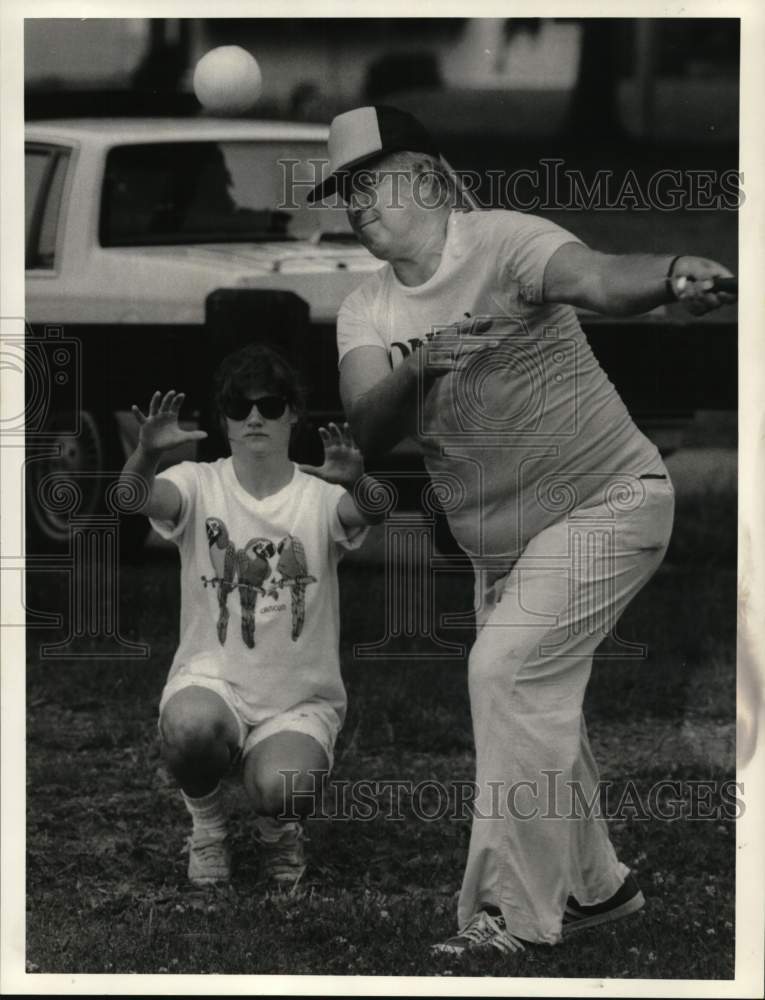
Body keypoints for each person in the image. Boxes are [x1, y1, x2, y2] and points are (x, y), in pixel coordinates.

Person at [307, 105, 737, 955]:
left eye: (371, 180)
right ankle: (596, 891)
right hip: (504, 547)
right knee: (540, 711)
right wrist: (424, 362)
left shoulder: (505, 242)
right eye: (343, 191)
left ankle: (510, 919)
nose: (356, 203)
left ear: (428, 178)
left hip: (609, 502)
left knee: (505, 674)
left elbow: (602, 277)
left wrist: (675, 269)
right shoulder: (365, 309)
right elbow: (368, 419)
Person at [119, 343, 381, 888]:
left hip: (298, 700)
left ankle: (279, 832)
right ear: (224, 420)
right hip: (212, 684)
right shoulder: (198, 481)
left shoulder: (318, 497)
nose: (255, 416)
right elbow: (130, 499)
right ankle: (209, 828)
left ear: (293, 414)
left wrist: (357, 479)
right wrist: (145, 454)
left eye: (269, 403)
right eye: (239, 406)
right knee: (190, 729)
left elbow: (373, 508)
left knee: (284, 786)